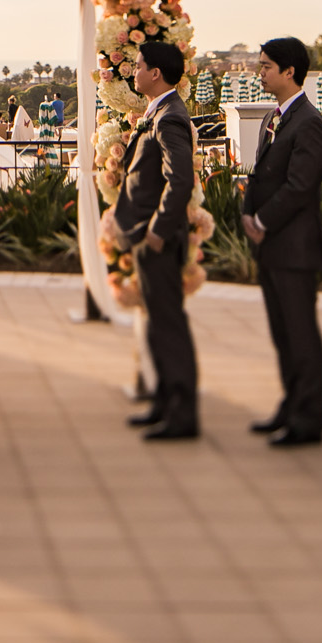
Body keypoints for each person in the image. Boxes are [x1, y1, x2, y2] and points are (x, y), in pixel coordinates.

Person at [241, 36, 322, 447]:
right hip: (272, 245)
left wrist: (262, 218)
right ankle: (290, 404)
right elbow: (262, 175)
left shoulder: (309, 122)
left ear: (289, 71)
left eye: (265, 67)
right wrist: (247, 209)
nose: (259, 73)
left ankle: (308, 417)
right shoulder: (271, 118)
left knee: (300, 332)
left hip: (294, 245)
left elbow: (301, 185)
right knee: (282, 333)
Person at [110, 42, 199, 441]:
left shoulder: (169, 118)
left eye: (140, 66)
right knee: (159, 325)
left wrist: (159, 231)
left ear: (157, 74)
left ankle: (182, 414)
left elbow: (180, 179)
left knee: (168, 325)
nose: (134, 71)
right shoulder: (159, 112)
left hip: (156, 239)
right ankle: (165, 402)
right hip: (146, 236)